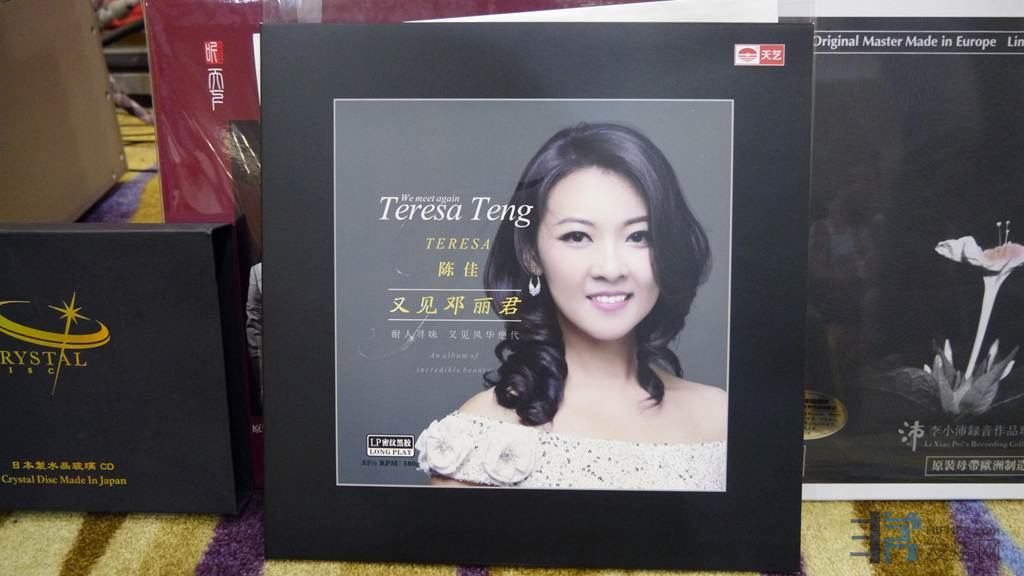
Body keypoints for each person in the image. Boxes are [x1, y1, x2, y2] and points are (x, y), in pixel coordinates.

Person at [415, 123, 727, 490]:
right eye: (577, 236)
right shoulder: (480, 437)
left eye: (638, 236)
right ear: (531, 254)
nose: (610, 269)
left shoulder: (719, 417)